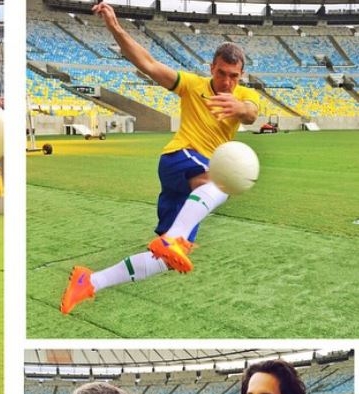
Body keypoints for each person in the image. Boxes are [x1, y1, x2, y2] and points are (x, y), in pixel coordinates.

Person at [60, 2, 260, 315]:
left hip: (195, 184)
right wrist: (115, 28)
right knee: (222, 183)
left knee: (164, 262)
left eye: (233, 76)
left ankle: (90, 282)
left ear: (241, 75)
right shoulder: (193, 87)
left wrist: (240, 108)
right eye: (221, 73)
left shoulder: (246, 96)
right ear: (211, 68)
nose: (227, 82)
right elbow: (149, 64)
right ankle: (175, 238)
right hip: (179, 159)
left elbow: (251, 113)